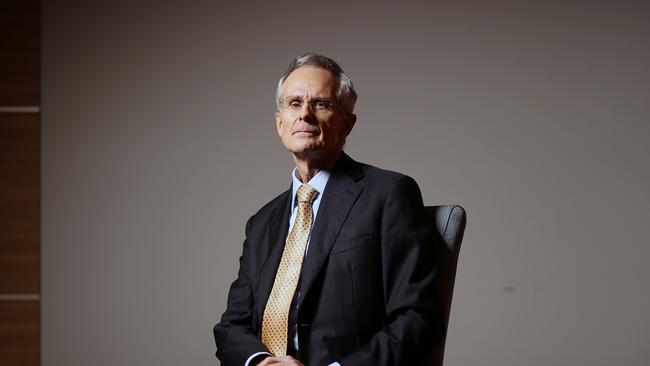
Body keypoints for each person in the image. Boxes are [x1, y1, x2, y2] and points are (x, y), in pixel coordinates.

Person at [214, 53, 444, 366]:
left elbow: (419, 319)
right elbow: (231, 326)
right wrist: (260, 362)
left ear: (347, 124)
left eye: (321, 104)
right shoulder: (262, 222)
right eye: (294, 103)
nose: (304, 114)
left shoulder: (389, 194)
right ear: (280, 123)